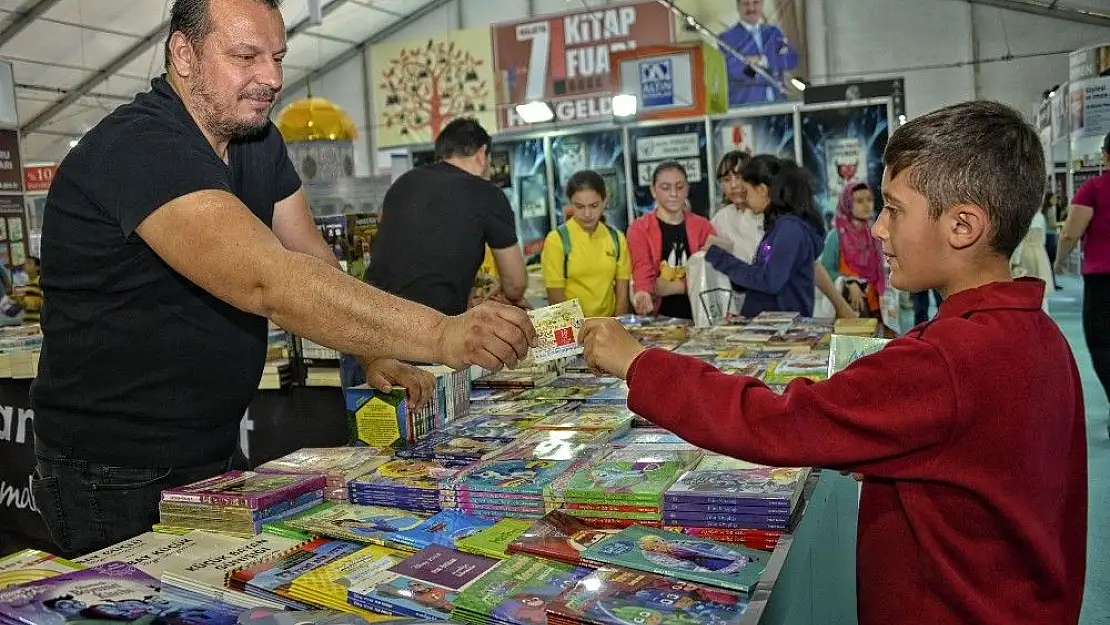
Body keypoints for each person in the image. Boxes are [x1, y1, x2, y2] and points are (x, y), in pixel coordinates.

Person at [30, 0, 536, 558]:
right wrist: (443, 334)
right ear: (184, 54)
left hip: (214, 445)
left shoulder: (259, 140)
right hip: (111, 471)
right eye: (246, 56)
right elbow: (268, 280)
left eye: (277, 57)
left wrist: (370, 348)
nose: (270, 78)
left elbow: (311, 259)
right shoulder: (140, 146)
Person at [581, 101, 1086, 624]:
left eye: (894, 209)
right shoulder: (1038, 334)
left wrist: (639, 362)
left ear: (962, 225)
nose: (879, 229)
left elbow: (774, 420)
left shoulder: (945, 360)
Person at [366, 118, 529, 317]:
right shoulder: (486, 192)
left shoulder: (403, 183)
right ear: (481, 154)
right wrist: (507, 296)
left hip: (370, 320)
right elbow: (515, 284)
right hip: (429, 329)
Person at [708, 150, 857, 318]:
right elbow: (762, 271)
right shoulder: (775, 227)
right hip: (767, 321)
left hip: (782, 324)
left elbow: (770, 280)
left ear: (762, 190)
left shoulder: (789, 230)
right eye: (727, 180)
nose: (737, 188)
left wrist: (720, 258)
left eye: (746, 189)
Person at [1056, 130, 1110, 437]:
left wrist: (1060, 262)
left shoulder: (1094, 189)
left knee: (1102, 344)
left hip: (1102, 279)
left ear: (1105, 154)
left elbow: (1070, 232)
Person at [626, 162, 716, 319]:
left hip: (702, 315)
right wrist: (643, 292)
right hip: (660, 319)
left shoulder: (703, 226)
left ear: (687, 189)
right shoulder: (639, 228)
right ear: (653, 191)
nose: (674, 193)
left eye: (680, 187)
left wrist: (677, 287)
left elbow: (712, 270)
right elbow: (642, 267)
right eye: (665, 188)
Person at [541, 171, 631, 317]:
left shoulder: (616, 238)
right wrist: (581, 332)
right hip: (574, 329)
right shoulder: (557, 240)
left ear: (605, 200)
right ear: (570, 203)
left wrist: (616, 327)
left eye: (594, 206)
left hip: (608, 326)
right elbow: (556, 298)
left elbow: (622, 294)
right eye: (580, 206)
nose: (587, 214)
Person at [821, 183, 885, 317]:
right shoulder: (837, 235)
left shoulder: (875, 233)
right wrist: (849, 282)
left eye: (869, 199)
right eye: (859, 201)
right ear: (847, 203)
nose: (866, 205)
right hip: (849, 308)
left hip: (878, 305)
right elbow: (826, 270)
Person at [719, 0, 798, 106]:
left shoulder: (773, 32)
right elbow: (733, 71)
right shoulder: (726, 38)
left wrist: (763, 61)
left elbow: (790, 60)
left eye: (756, 2)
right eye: (746, 4)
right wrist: (773, 65)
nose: (751, 8)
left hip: (779, 102)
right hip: (746, 105)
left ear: (762, 5)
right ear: (738, 7)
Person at [16, 256, 42, 324]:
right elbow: (25, 306)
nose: (25, 265)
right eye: (25, 263)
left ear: (37, 267)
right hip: (27, 321)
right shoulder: (27, 284)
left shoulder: (40, 282)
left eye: (29, 263)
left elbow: (44, 303)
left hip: (38, 322)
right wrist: (18, 299)